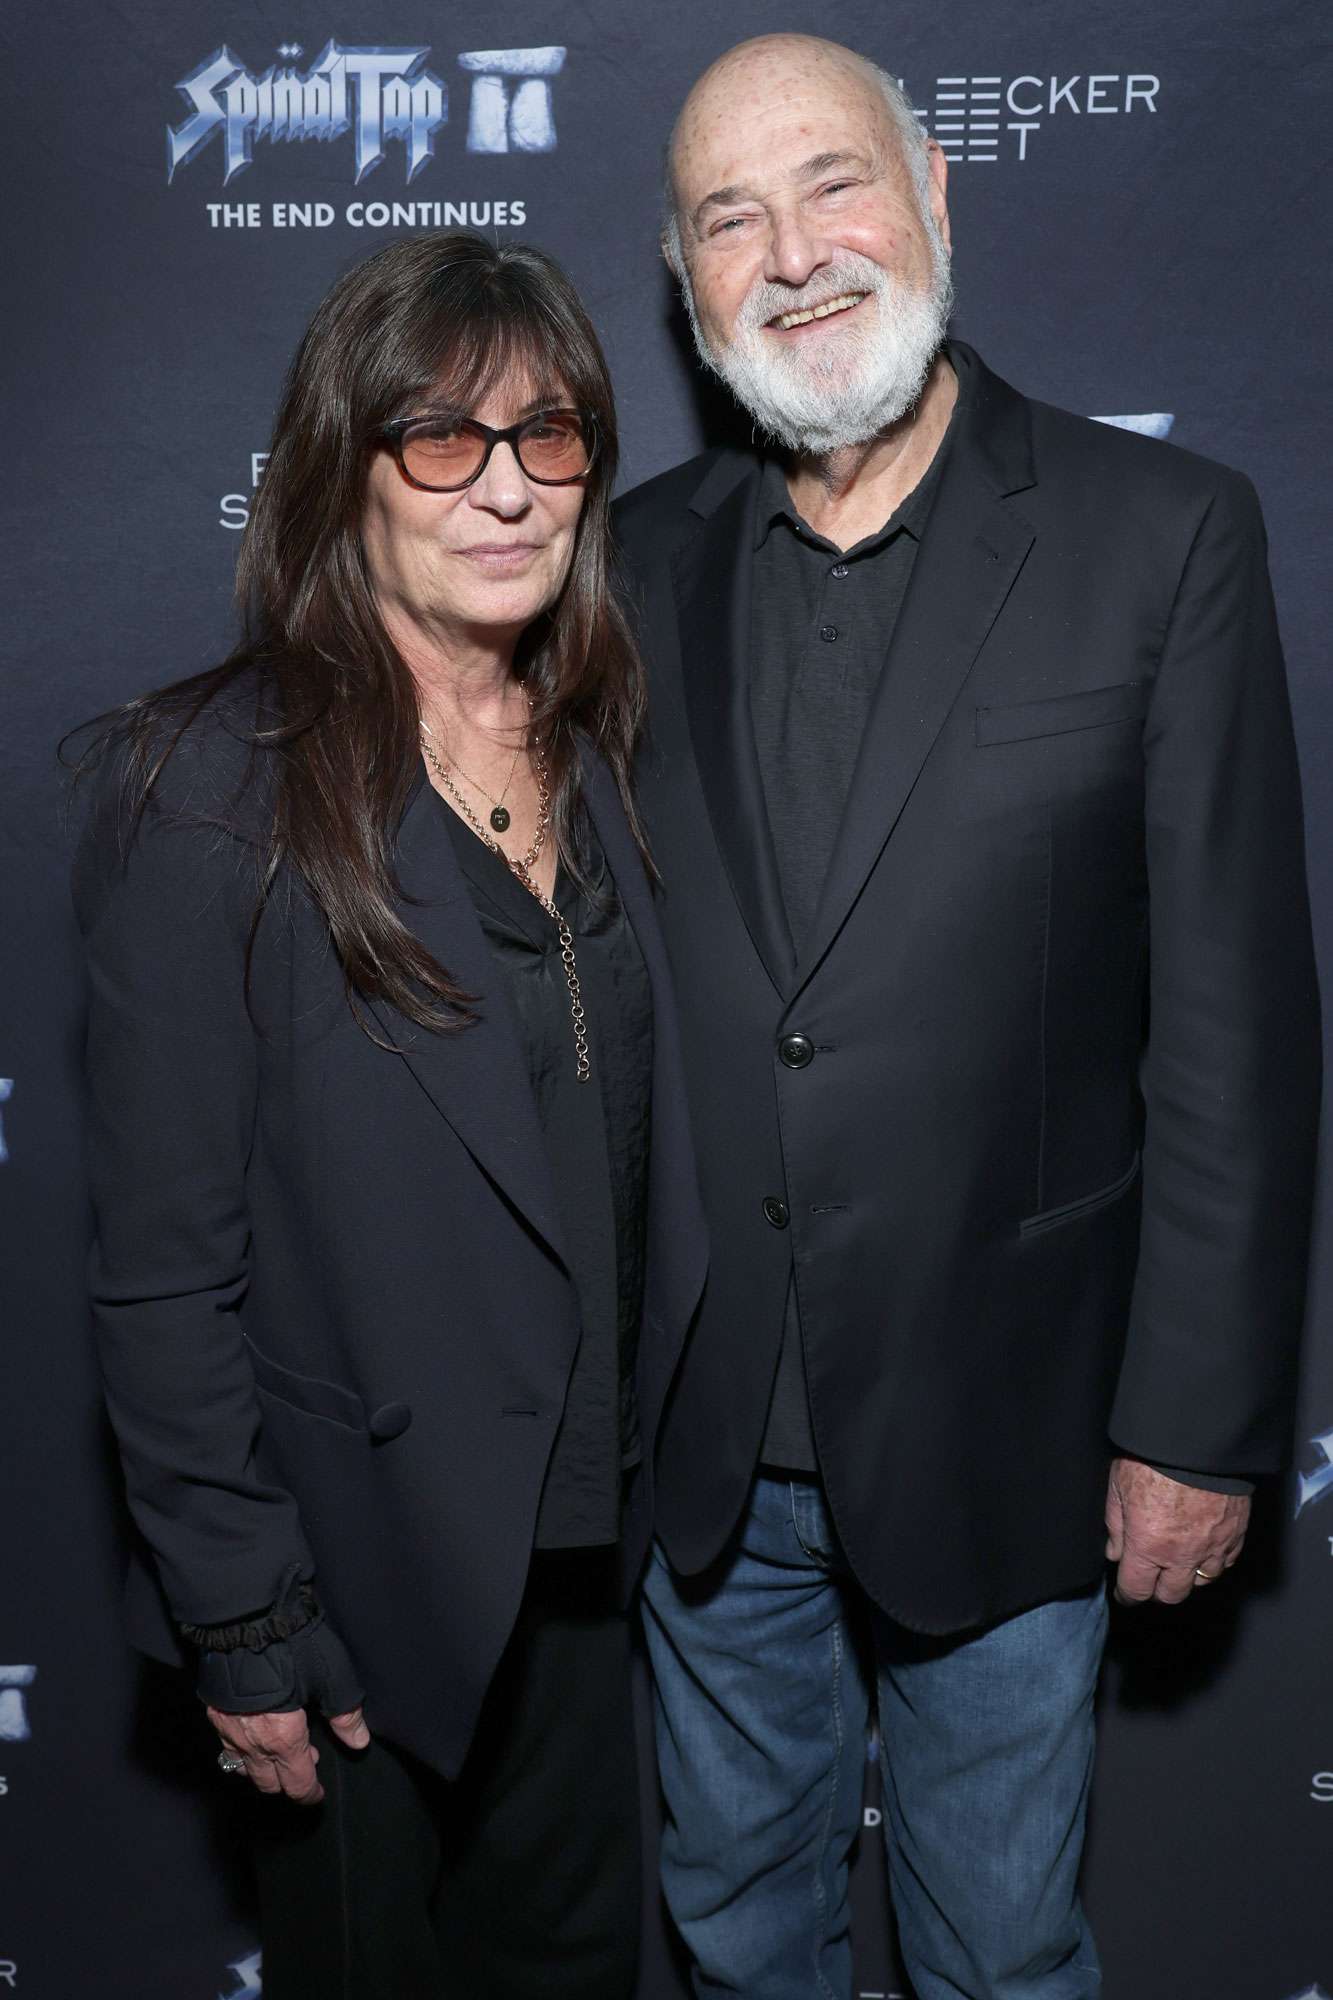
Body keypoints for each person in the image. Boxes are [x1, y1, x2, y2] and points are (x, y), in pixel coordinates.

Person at [614, 33, 1320, 2000]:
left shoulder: (1160, 531)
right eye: (729, 219)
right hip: (706, 1446)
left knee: (1001, 1947)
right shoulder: (623, 563)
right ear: (684, 282)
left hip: (1017, 1417)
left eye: (832, 182)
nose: (792, 253)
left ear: (934, 190)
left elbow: (1233, 1024)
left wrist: (1196, 1425)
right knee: (735, 1930)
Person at [72, 230, 704, 2000]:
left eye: (548, 434)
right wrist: (246, 1617)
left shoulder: (607, 743)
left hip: (584, 1559)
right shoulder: (216, 789)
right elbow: (162, 1274)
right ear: (342, 468)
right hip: (356, 1588)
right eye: (441, 438)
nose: (505, 489)